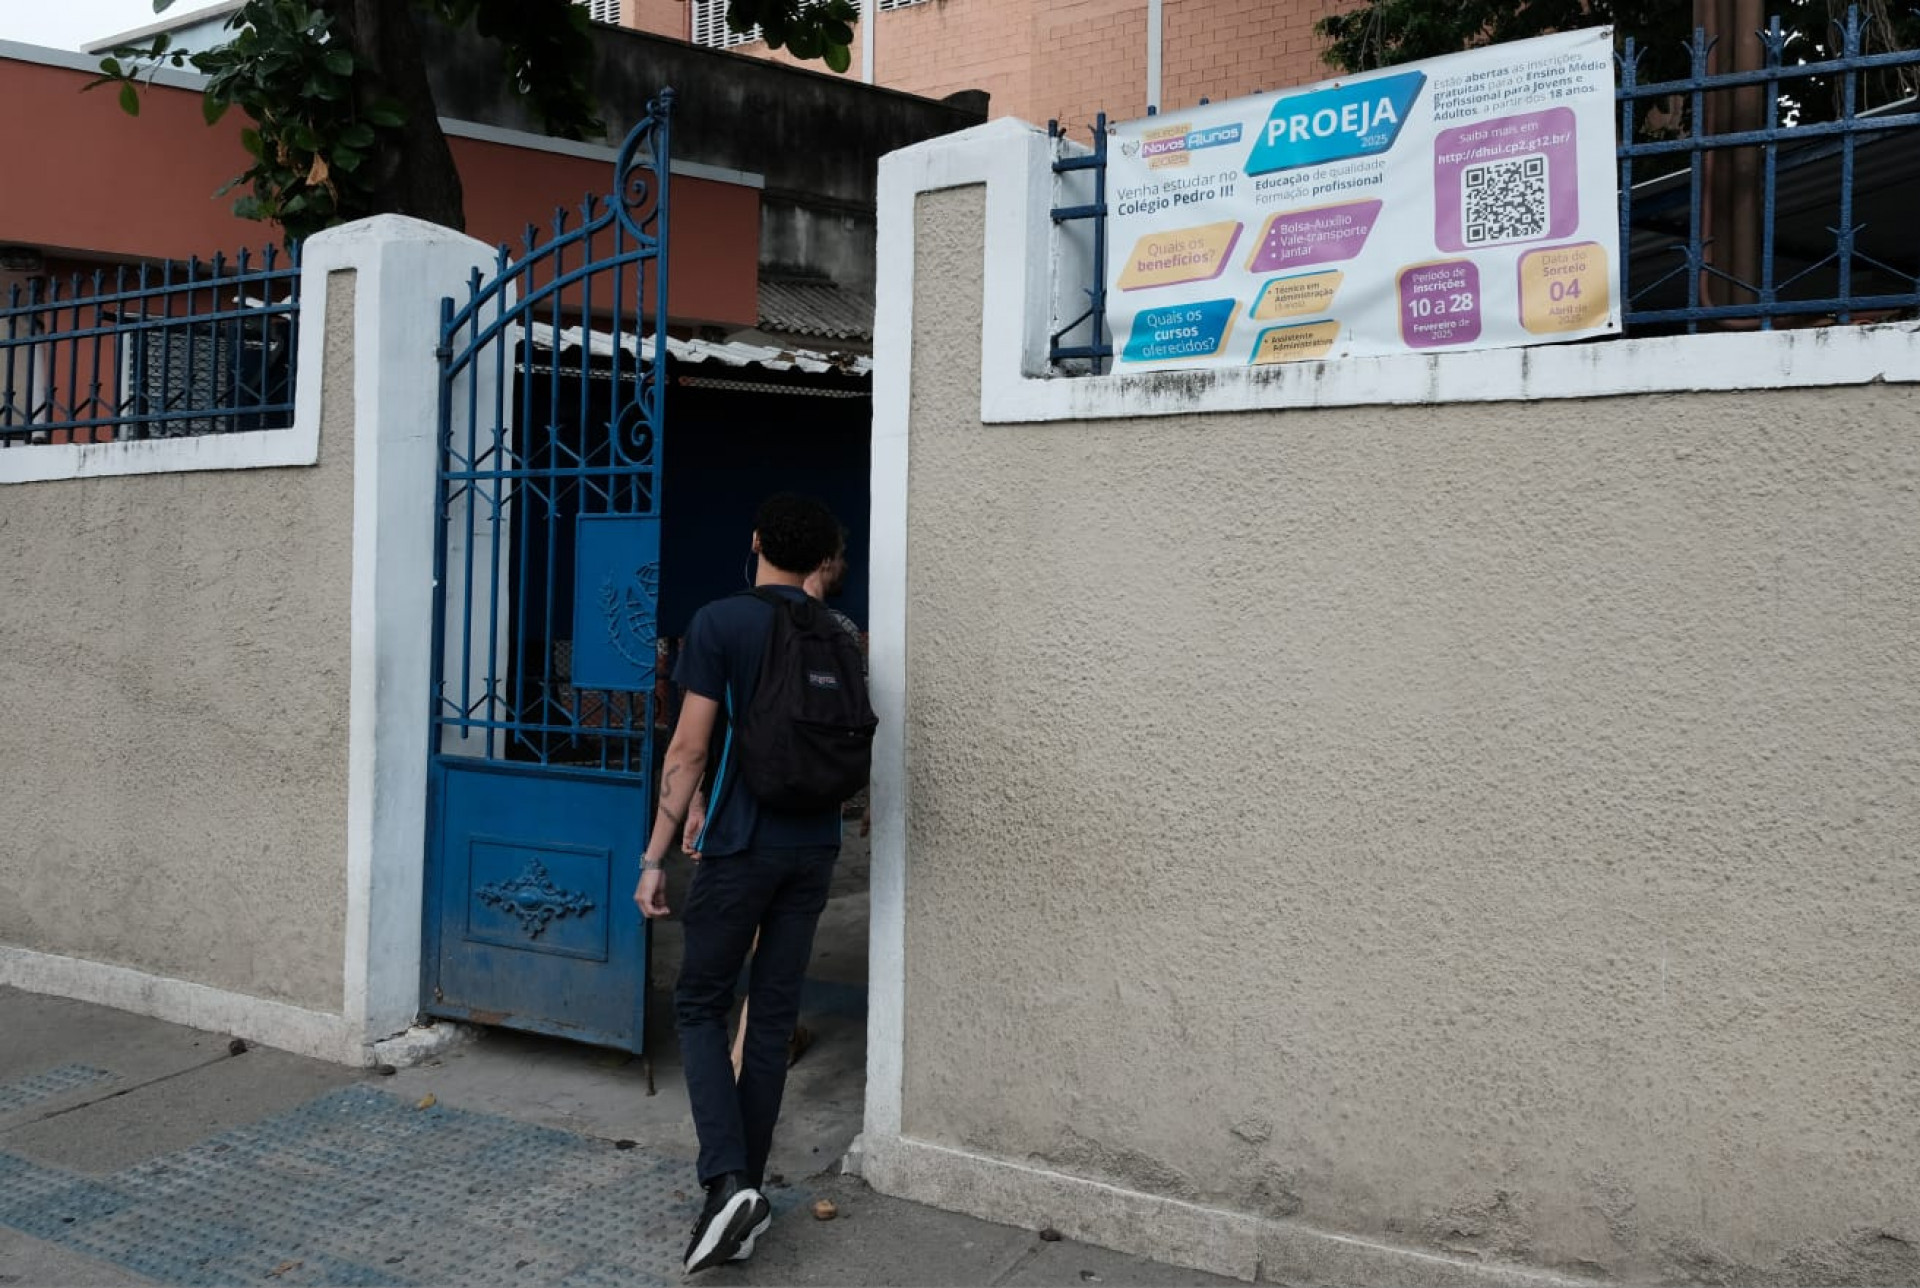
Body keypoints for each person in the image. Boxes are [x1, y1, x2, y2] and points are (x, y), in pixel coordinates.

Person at [634, 493, 850, 1274]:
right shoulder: (839, 632)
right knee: (770, 1020)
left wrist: (656, 853)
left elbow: (689, 750)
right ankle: (743, 1195)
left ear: (756, 541)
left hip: (739, 845)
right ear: (823, 558)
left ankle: (726, 1180)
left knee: (698, 1002)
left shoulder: (722, 621)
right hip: (813, 847)